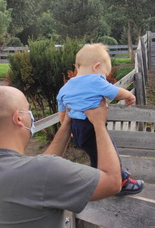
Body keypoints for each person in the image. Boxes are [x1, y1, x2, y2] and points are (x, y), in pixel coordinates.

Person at [0, 86, 122, 228]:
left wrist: (66, 125)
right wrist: (99, 125)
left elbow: (38, 178)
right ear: (18, 118)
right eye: (28, 109)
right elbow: (112, 181)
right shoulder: (41, 172)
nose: (31, 116)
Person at [57, 43, 144, 195]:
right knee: (110, 152)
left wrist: (70, 130)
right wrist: (129, 95)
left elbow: (62, 112)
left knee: (95, 155)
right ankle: (121, 181)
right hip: (90, 127)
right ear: (96, 66)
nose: (104, 79)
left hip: (77, 129)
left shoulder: (65, 88)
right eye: (105, 75)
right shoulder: (95, 81)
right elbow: (115, 92)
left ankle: (96, 180)